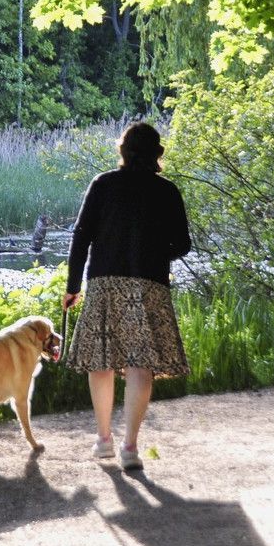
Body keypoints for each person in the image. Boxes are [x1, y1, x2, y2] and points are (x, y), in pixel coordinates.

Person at [62, 122, 191, 471]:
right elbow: (182, 244)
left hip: (104, 280)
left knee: (101, 360)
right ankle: (130, 447)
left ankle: (104, 439)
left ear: (123, 149)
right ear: (157, 154)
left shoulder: (103, 184)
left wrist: (73, 286)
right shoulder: (167, 192)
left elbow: (81, 237)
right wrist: (155, 249)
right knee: (139, 364)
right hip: (149, 283)